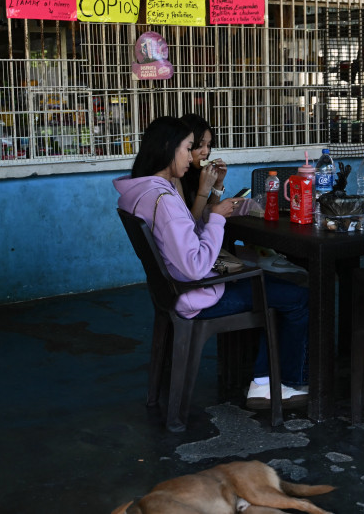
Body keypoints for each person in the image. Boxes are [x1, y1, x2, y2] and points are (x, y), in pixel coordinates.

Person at [113, 116, 310, 408]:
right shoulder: (163, 199)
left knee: (272, 283)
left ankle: (266, 373)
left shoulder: (141, 190)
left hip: (174, 290)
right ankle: (271, 383)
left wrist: (213, 207)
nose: (194, 154)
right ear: (169, 148)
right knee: (296, 295)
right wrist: (216, 217)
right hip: (198, 294)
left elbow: (183, 238)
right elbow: (194, 266)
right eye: (189, 147)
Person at [178, 114, 228, 220]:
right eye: (200, 146)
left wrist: (218, 184)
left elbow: (206, 215)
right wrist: (203, 190)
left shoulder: (196, 172)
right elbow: (190, 226)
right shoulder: (176, 177)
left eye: (208, 145)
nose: (206, 152)